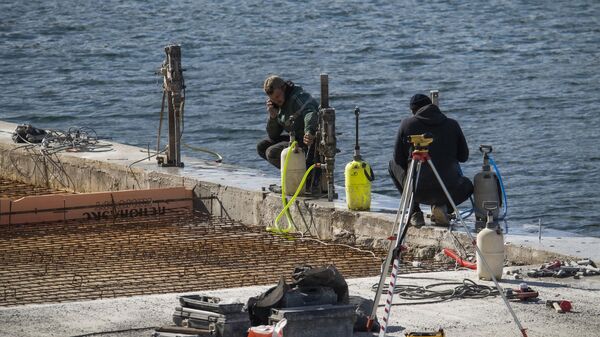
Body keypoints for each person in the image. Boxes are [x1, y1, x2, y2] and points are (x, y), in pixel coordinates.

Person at [388, 94, 473, 227]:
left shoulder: (407, 124)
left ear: (413, 111)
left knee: (392, 164)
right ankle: (443, 208)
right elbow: (464, 157)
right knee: (468, 185)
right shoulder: (452, 124)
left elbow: (398, 159)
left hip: (417, 190)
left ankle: (414, 211)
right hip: (449, 190)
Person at [257, 75, 319, 170]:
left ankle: (304, 177)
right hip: (296, 138)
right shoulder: (279, 106)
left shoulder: (298, 97)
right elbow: (273, 136)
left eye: (278, 96)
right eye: (273, 99)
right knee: (262, 147)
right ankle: (294, 175)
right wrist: (273, 117)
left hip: (310, 140)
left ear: (284, 88)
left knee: (272, 152)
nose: (277, 101)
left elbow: (310, 113)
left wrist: (309, 131)